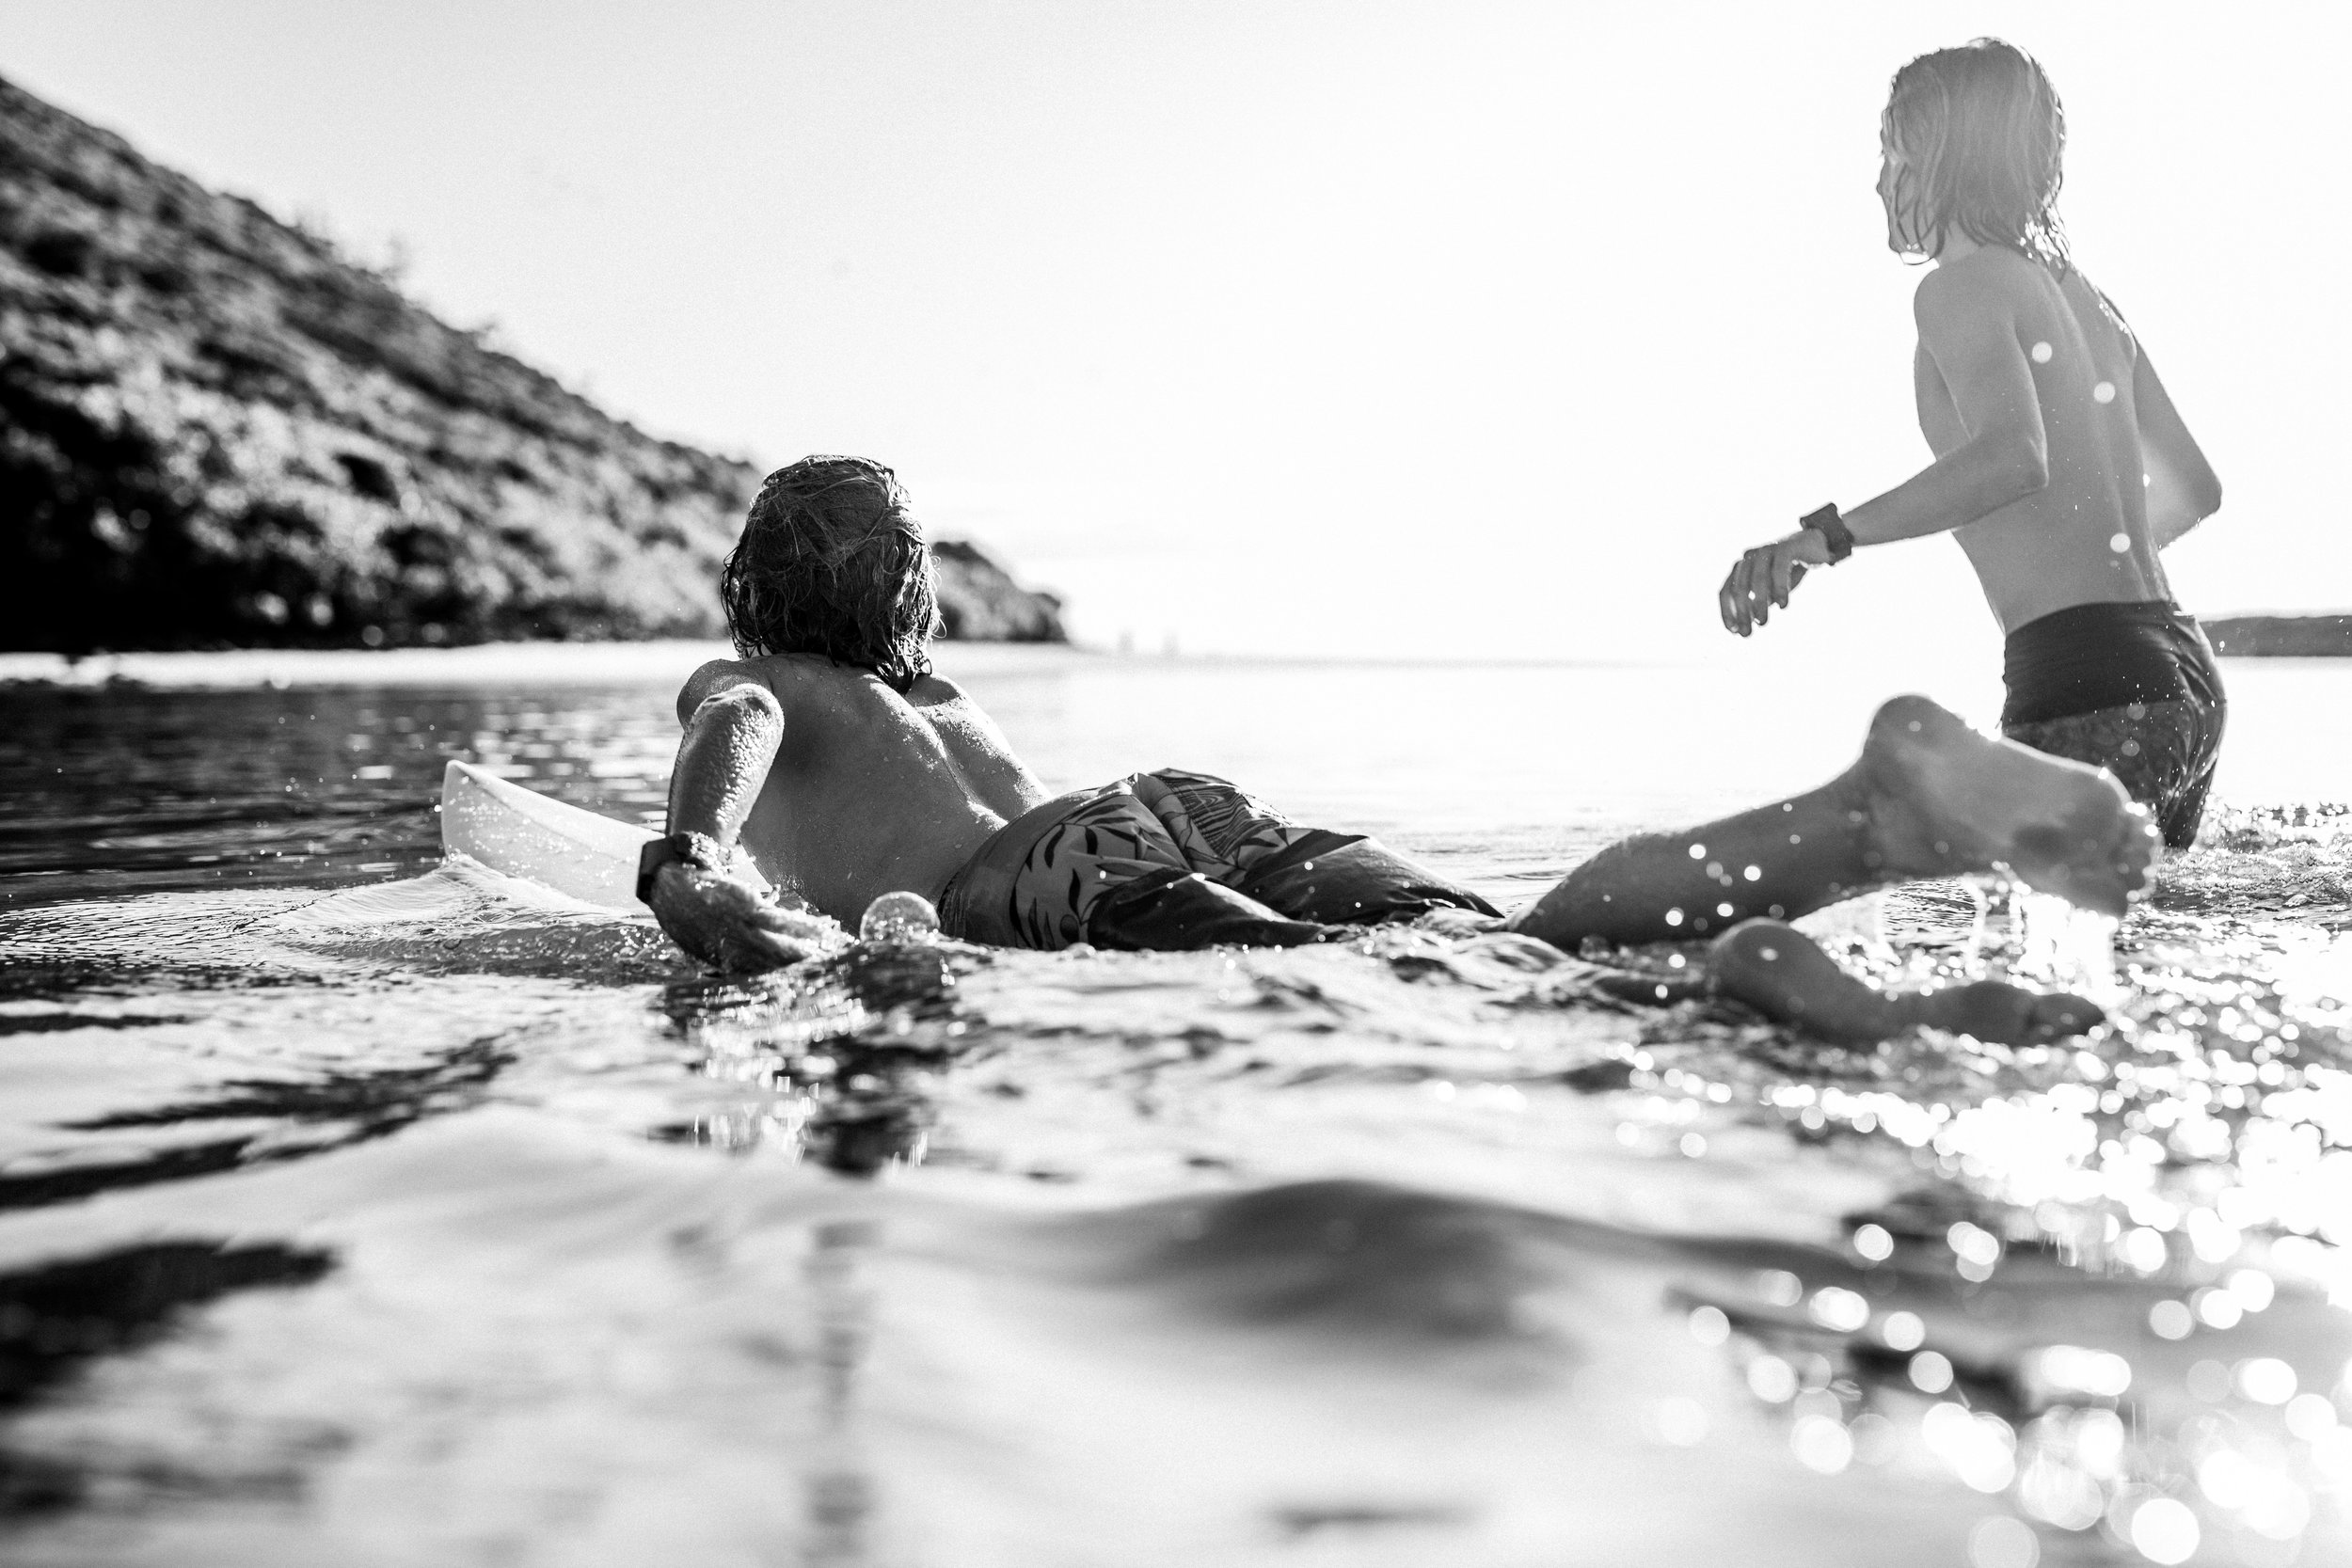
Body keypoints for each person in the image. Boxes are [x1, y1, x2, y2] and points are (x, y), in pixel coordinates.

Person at [644, 456, 2155, 1046]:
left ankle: (1727, 992)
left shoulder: (768, 678)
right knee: (1501, 942)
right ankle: (1858, 820)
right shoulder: (947, 706)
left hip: (1035, 881)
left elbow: (739, 726)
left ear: (757, 588)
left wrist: (688, 860)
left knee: (1442, 1002)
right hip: (1173, 802)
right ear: (908, 602)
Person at [1718, 39, 2225, 848]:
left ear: (1944, 162)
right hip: (2183, 673)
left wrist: (1824, 536)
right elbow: (2198, 489)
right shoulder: (2090, 300)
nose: (1880, 180)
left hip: (2085, 682)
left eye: (1894, 155)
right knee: (2127, 941)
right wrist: (2078, 563)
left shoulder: (1955, 288)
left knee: (2024, 949)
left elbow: (2013, 457)